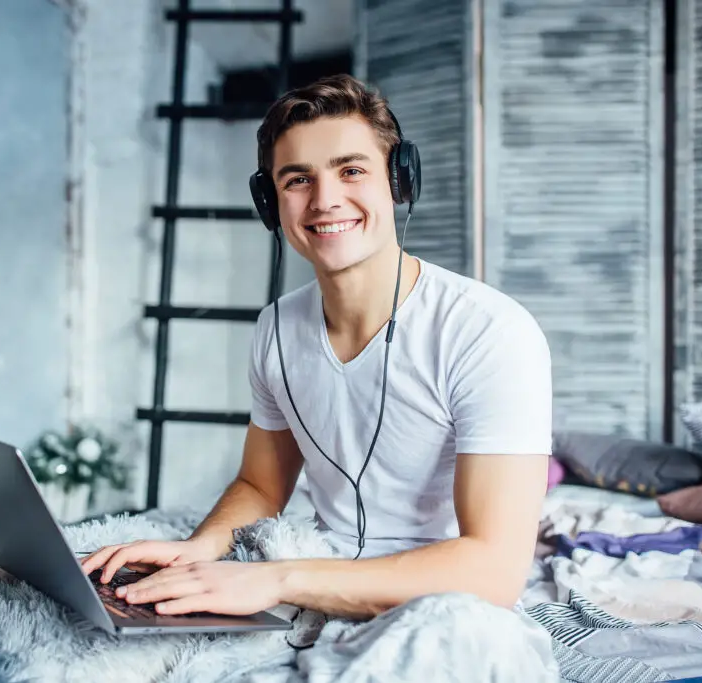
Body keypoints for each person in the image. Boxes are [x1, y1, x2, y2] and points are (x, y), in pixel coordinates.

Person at [81, 74, 552, 622]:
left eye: (351, 170)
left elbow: (493, 570)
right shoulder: (277, 328)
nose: (326, 201)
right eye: (298, 180)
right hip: (314, 582)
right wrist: (200, 550)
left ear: (399, 181)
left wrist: (275, 580)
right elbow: (261, 484)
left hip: (446, 608)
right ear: (269, 201)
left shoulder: (488, 331)